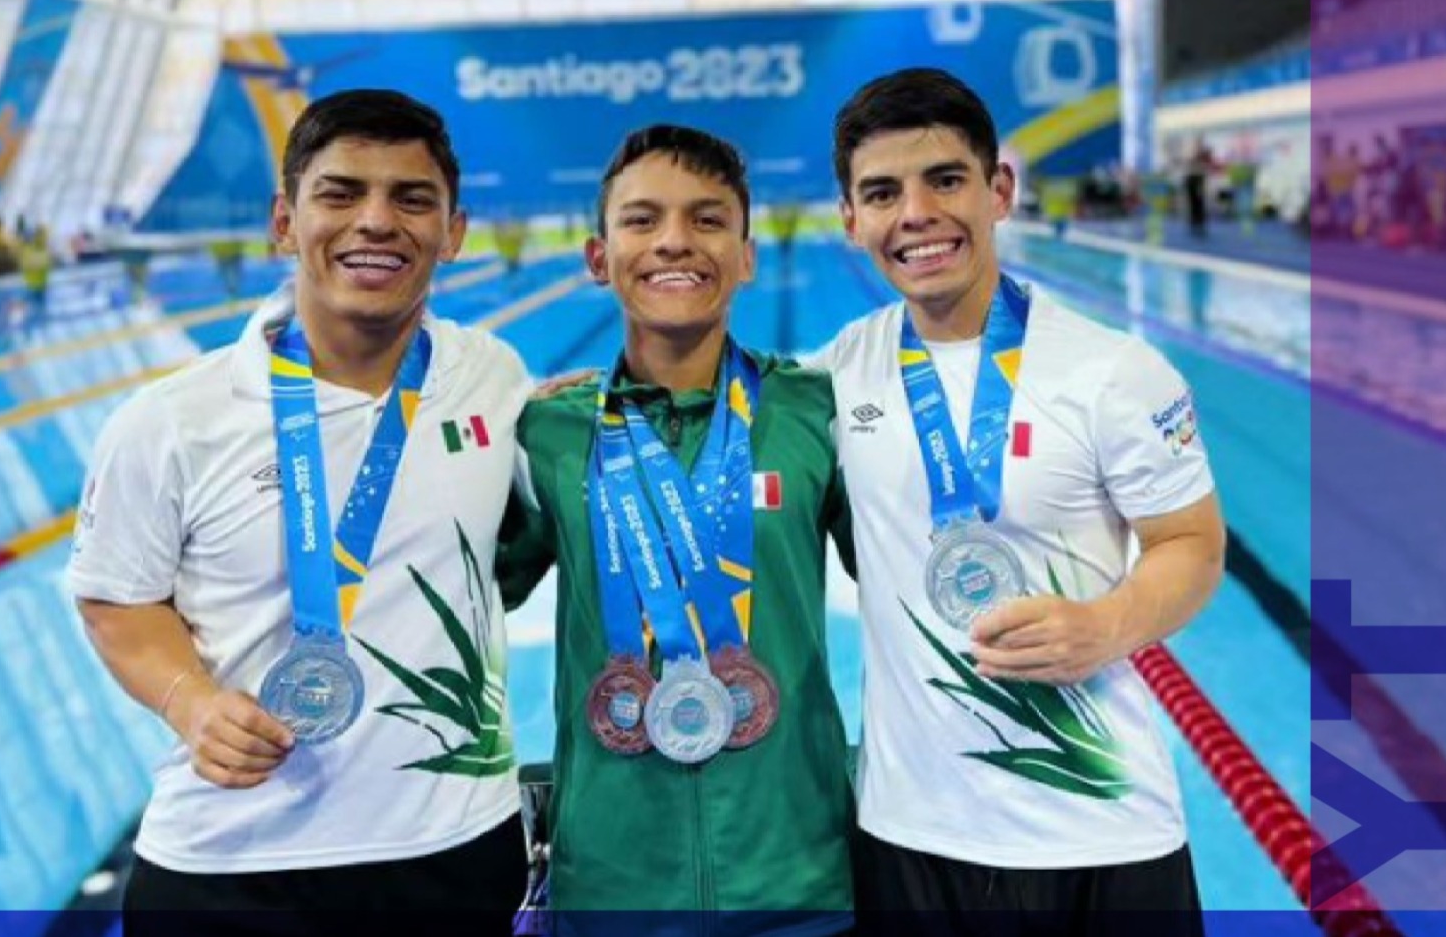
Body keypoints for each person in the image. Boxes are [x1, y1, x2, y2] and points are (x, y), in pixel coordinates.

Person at [67, 89, 530, 934]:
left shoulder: (492, 377)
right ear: (286, 220)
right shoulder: (175, 418)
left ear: (453, 233)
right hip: (231, 864)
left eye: (411, 199)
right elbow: (112, 597)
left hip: (452, 846)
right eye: (341, 193)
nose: (376, 221)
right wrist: (189, 700)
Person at [811, 67, 1225, 935]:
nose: (915, 214)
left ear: (998, 190)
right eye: (882, 193)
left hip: (1102, 826)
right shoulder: (836, 372)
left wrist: (1107, 626)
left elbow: (1191, 542)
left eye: (945, 180)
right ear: (851, 221)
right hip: (911, 834)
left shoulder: (1111, 369)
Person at [498, 124, 857, 936]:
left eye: (706, 219)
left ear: (746, 253)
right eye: (641, 219)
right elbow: (450, 585)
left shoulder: (814, 411)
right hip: (613, 884)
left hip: (797, 878)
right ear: (598, 257)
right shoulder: (547, 431)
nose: (673, 241)